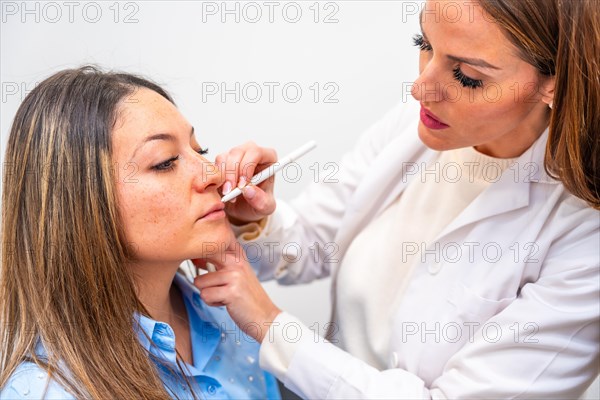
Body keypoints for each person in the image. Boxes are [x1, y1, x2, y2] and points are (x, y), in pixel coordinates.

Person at [194, 0, 600, 398]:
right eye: (423, 44)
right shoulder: (418, 125)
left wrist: (270, 325)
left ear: (554, 83)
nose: (420, 88)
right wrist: (256, 219)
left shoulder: (584, 239)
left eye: (467, 75)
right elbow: (314, 244)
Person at [0, 67, 281, 399]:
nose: (212, 172)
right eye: (165, 162)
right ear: (83, 203)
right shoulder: (47, 390)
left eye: (199, 150)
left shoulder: (235, 312)